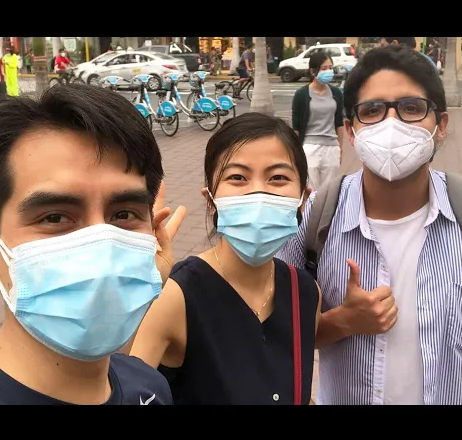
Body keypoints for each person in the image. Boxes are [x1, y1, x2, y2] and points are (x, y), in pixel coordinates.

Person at [0, 84, 187, 405]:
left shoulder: (148, 386)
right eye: (55, 217)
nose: (103, 254)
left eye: (124, 214)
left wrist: (135, 290)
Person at [277, 45, 462, 405]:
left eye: (411, 108)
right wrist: (343, 321)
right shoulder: (314, 220)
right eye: (372, 111)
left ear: (440, 125)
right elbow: (276, 334)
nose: (391, 124)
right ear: (351, 130)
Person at [130, 113, 322, 405]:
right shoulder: (176, 296)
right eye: (237, 178)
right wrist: (131, 298)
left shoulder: (304, 292)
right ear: (211, 200)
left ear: (303, 199)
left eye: (278, 178)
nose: (258, 192)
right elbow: (121, 389)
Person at [291, 50, 344, 190]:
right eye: (324, 68)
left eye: (330, 68)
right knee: (310, 189)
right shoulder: (301, 94)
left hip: (332, 148)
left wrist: (341, 148)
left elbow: (339, 123)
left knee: (330, 190)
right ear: (313, 71)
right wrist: (296, 152)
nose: (329, 71)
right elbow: (296, 126)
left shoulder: (336, 93)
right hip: (309, 147)